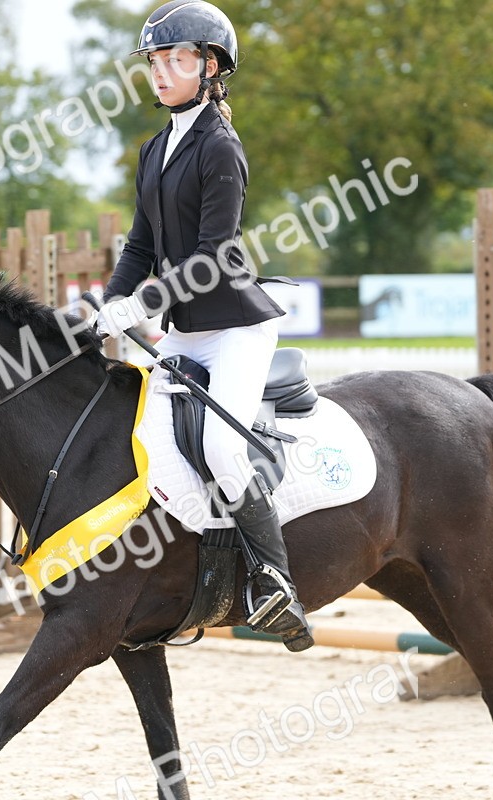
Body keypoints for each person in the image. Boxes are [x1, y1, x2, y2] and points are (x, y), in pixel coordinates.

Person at [95, 0, 313, 651]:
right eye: (155, 62)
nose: (161, 73)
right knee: (146, 443)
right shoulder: (154, 149)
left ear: (211, 66)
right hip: (187, 332)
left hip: (236, 330)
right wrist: (112, 301)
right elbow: (140, 245)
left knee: (220, 447)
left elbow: (215, 254)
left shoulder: (220, 147)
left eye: (176, 59)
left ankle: (275, 579)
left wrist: (148, 302)